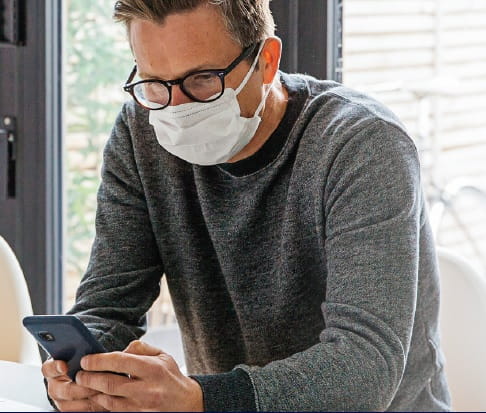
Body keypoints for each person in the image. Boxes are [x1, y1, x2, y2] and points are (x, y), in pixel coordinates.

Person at [41, 0, 452, 411]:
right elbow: (107, 307)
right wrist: (77, 376)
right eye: (154, 83)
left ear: (266, 61)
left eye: (202, 80)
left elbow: (365, 367)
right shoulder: (140, 135)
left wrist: (202, 399)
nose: (178, 110)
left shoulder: (362, 146)